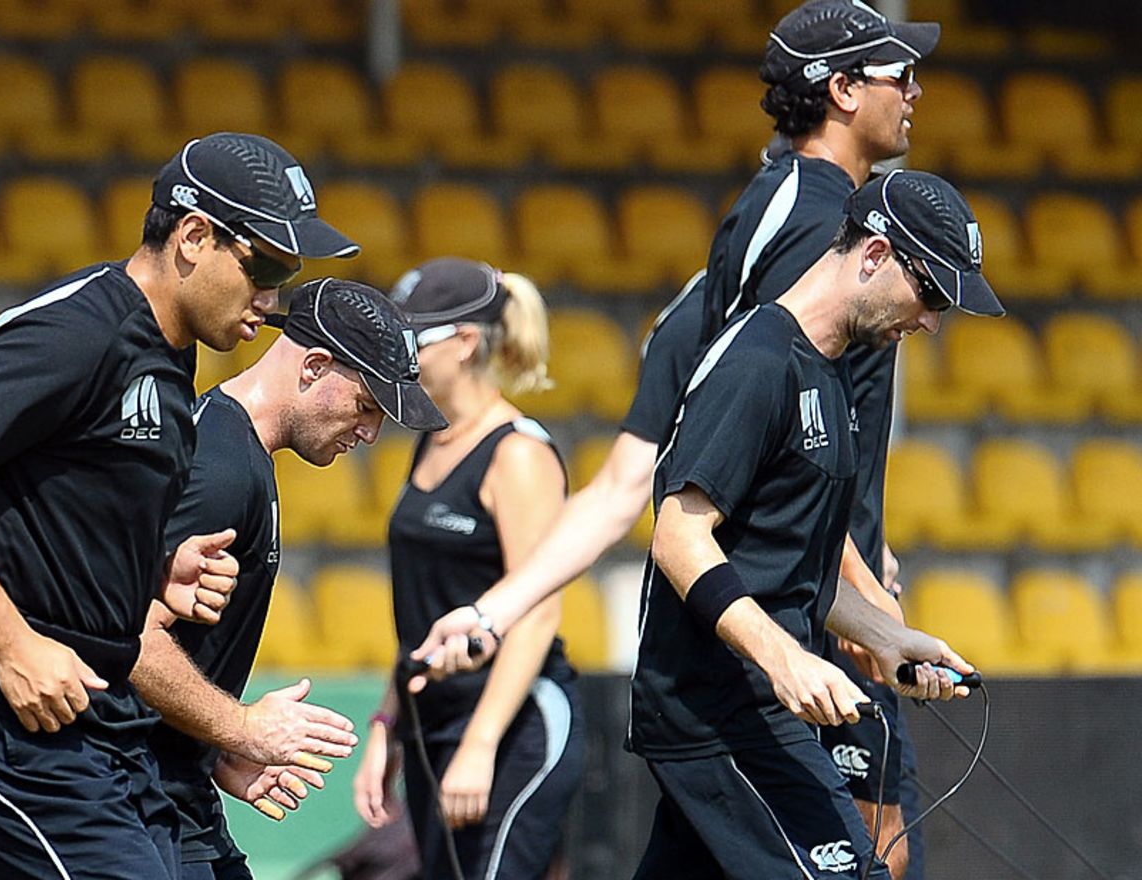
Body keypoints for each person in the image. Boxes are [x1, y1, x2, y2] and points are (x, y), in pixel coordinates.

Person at [410, 2, 943, 873]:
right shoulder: (827, 237)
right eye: (899, 75)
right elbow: (721, 459)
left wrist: (491, 609)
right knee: (875, 857)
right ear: (842, 90)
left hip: (782, 623)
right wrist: (856, 594)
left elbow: (638, 471)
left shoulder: (766, 228)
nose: (918, 92)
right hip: (774, 641)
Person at [0, 132, 359, 879]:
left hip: (81, 732)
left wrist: (156, 574)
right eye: (265, 267)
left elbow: (50, 525)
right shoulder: (82, 331)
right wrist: (11, 643)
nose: (272, 298)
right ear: (194, 237)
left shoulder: (172, 358)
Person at [629, 170, 1002, 879]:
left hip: (745, 707)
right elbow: (677, 535)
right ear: (873, 255)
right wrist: (784, 656)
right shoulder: (757, 362)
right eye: (931, 293)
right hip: (726, 710)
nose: (930, 322)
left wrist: (891, 639)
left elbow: (799, 568)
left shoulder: (830, 376)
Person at [131, 277, 449, 880]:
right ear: (314, 366)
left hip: (174, 794)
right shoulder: (221, 469)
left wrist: (217, 749)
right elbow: (127, 641)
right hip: (141, 804)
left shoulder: (236, 452)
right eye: (366, 406)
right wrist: (241, 727)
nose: (371, 433)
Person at [353, 258, 585, 879]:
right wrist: (387, 725)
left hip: (513, 727)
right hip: (433, 725)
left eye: (411, 338)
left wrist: (482, 744)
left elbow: (537, 611)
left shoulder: (519, 454)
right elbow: (420, 619)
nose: (395, 351)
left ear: (464, 342)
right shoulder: (431, 440)